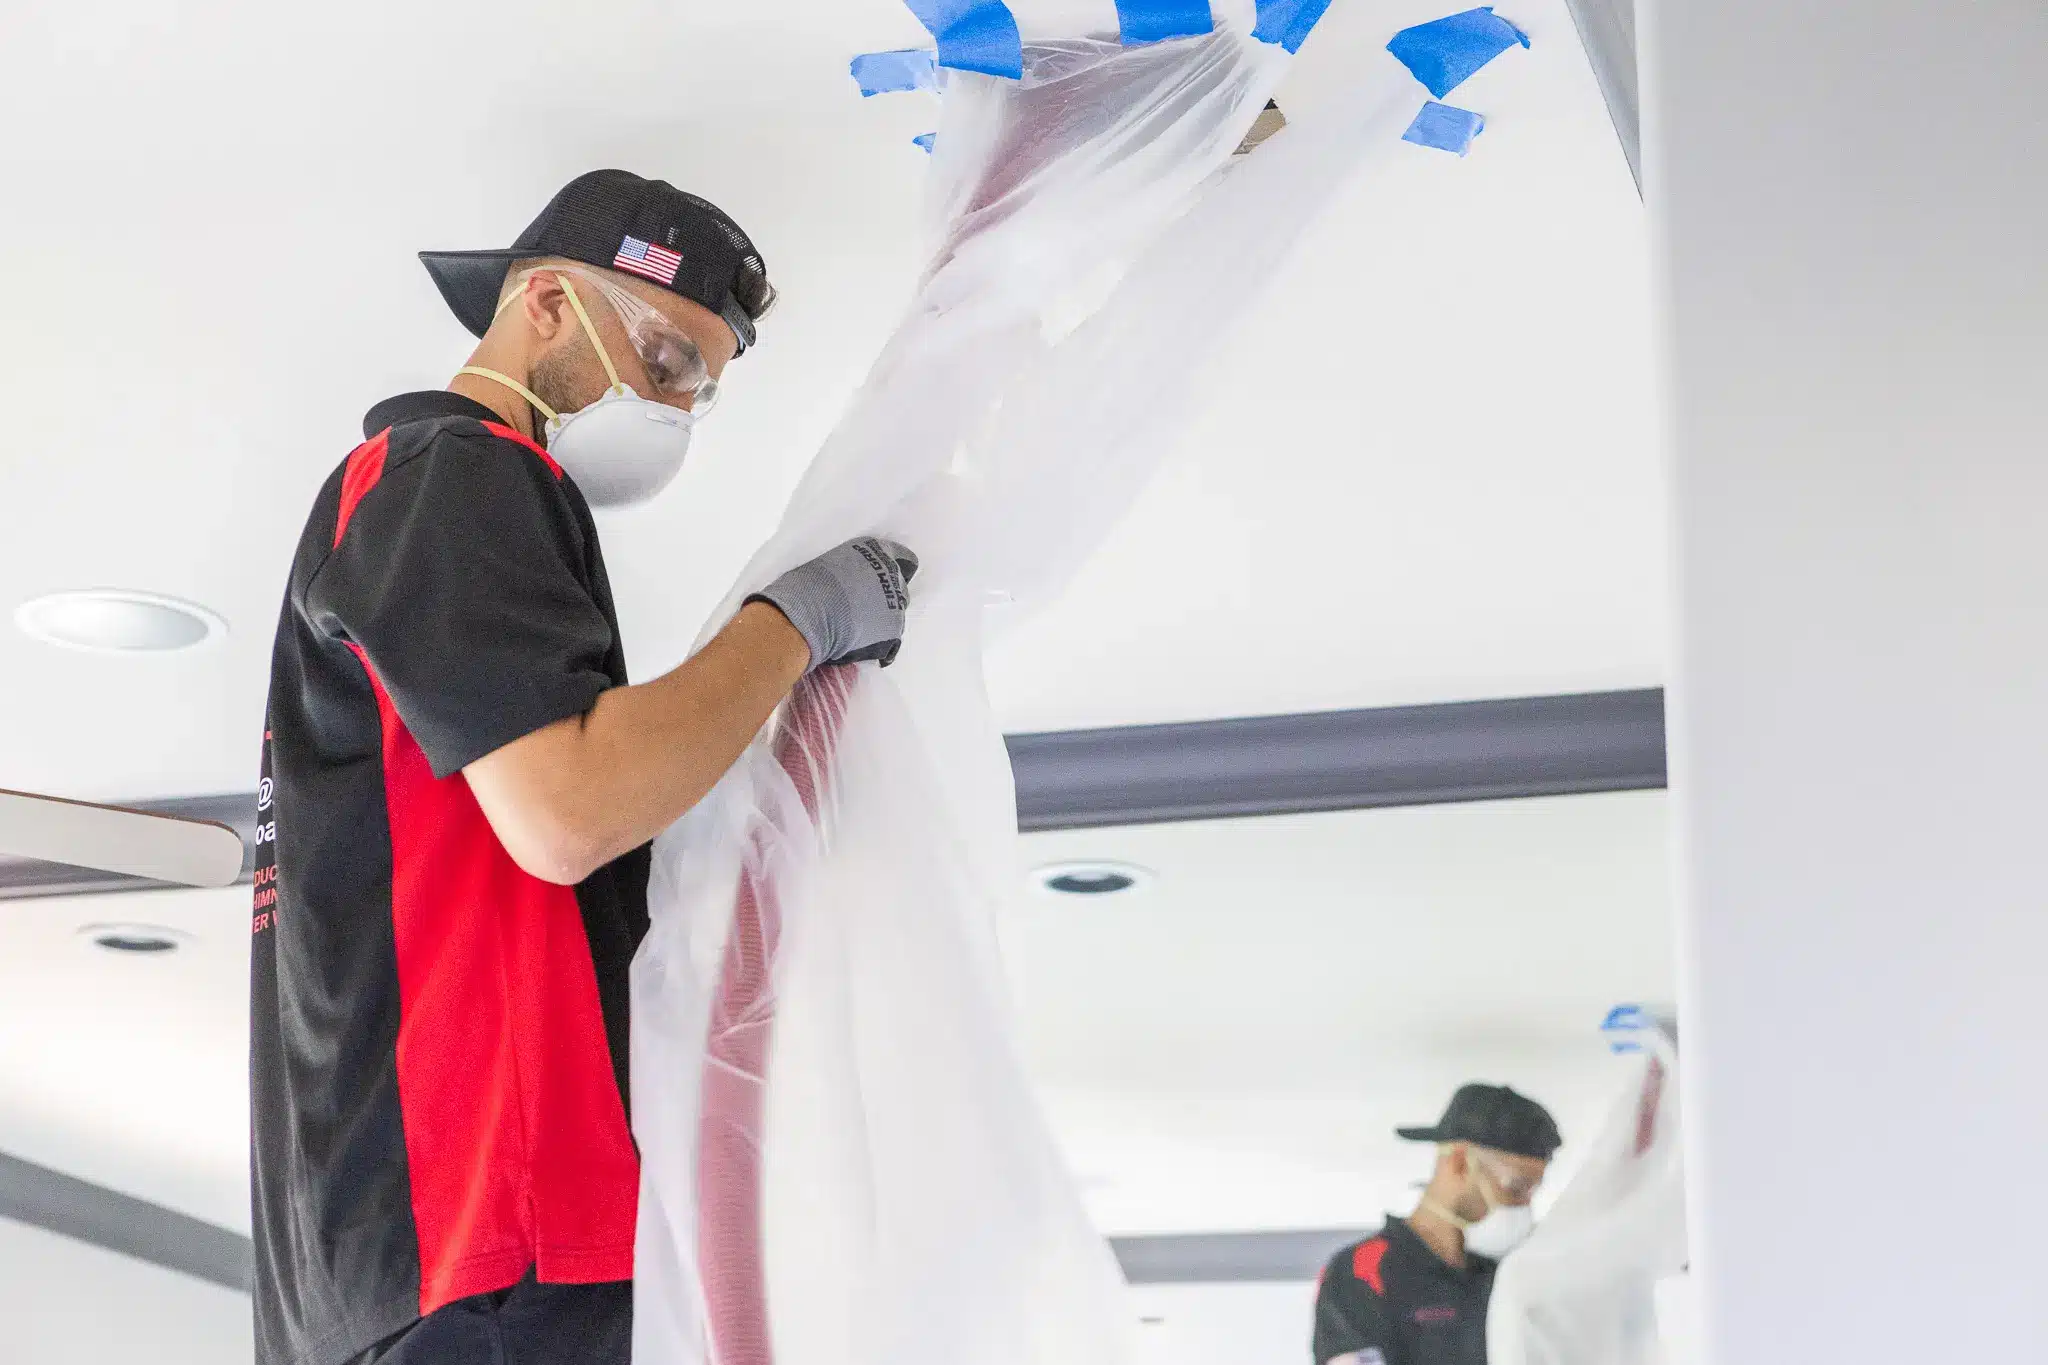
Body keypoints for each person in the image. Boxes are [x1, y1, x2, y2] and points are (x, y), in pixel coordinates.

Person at [249, 169, 919, 1365]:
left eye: (699, 389)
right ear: (546, 303)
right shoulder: (444, 472)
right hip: (489, 1238)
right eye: (665, 359)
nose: (673, 405)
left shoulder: (409, 508)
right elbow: (568, 812)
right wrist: (791, 625)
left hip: (417, 1267)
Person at [1312, 1084, 1563, 1365]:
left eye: (1532, 1191)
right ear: (1458, 1162)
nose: (1522, 1206)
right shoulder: (1364, 1272)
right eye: (1516, 1187)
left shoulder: (1500, 1278)